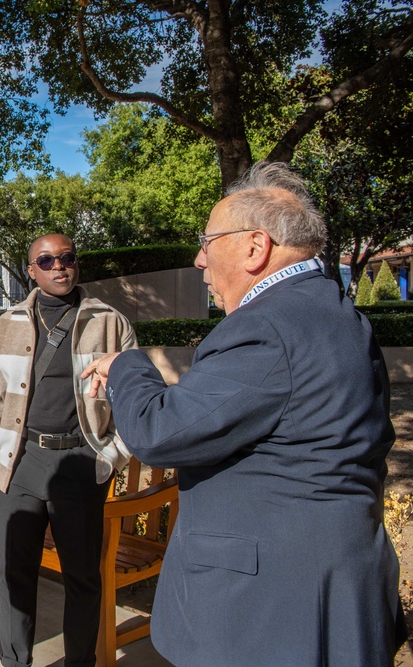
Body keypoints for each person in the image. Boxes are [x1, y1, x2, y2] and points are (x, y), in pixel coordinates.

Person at [83, 162, 407, 666]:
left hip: (270, 608)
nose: (198, 261)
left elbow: (159, 431)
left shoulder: (266, 327)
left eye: (208, 243)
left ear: (255, 247)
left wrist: (128, 365)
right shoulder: (337, 314)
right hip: (329, 587)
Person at [0, 233, 136, 667]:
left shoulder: (109, 321)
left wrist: (111, 455)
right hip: (21, 462)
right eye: (46, 260)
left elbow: (135, 401)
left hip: (81, 464)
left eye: (67, 258)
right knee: (15, 576)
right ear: (31, 270)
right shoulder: (9, 324)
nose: (59, 266)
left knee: (82, 578)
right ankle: (15, 662)